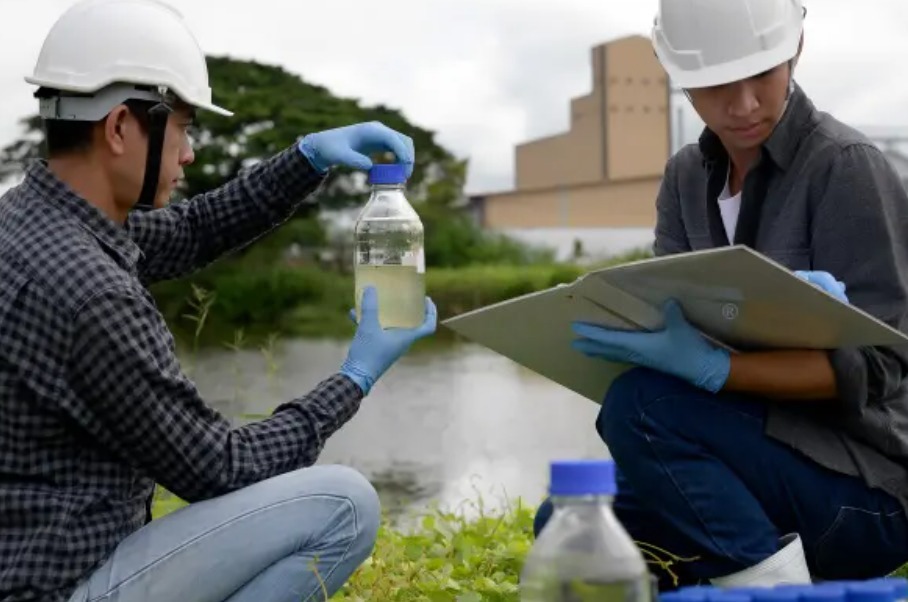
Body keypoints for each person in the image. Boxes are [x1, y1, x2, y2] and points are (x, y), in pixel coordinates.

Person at [0, 0, 437, 601]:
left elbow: (193, 231)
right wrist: (354, 377)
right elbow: (218, 467)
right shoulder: (91, 292)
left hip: (26, 555)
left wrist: (305, 159)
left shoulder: (33, 222)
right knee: (344, 504)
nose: (189, 153)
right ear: (121, 126)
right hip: (60, 584)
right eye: (181, 127)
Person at [533, 0, 908, 590]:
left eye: (761, 75)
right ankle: (749, 566)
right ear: (680, 78)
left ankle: (774, 589)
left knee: (642, 407)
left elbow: (884, 368)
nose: (743, 106)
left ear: (795, 51)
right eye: (714, 86)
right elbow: (674, 330)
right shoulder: (686, 178)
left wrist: (717, 369)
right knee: (566, 524)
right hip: (751, 467)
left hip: (863, 494)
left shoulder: (845, 167)